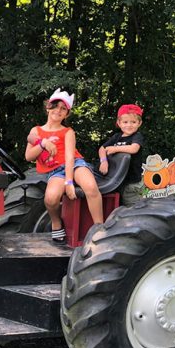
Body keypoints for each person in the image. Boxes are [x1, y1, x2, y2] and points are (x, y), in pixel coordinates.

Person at [25, 88, 104, 243]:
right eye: (55, 106)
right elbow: (28, 156)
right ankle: (56, 222)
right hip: (55, 170)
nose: (58, 110)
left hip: (74, 164)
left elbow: (69, 157)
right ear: (48, 106)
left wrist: (69, 182)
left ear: (67, 114)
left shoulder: (68, 132)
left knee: (90, 187)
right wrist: (43, 143)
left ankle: (99, 228)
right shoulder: (36, 131)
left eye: (63, 109)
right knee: (51, 199)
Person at [98, 103, 146, 206]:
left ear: (139, 123)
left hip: (132, 183)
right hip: (117, 181)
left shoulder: (137, 136)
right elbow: (102, 148)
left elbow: (134, 149)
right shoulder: (116, 137)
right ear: (119, 123)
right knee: (117, 206)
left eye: (133, 122)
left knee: (133, 208)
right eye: (125, 122)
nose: (129, 125)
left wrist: (115, 149)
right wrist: (104, 161)